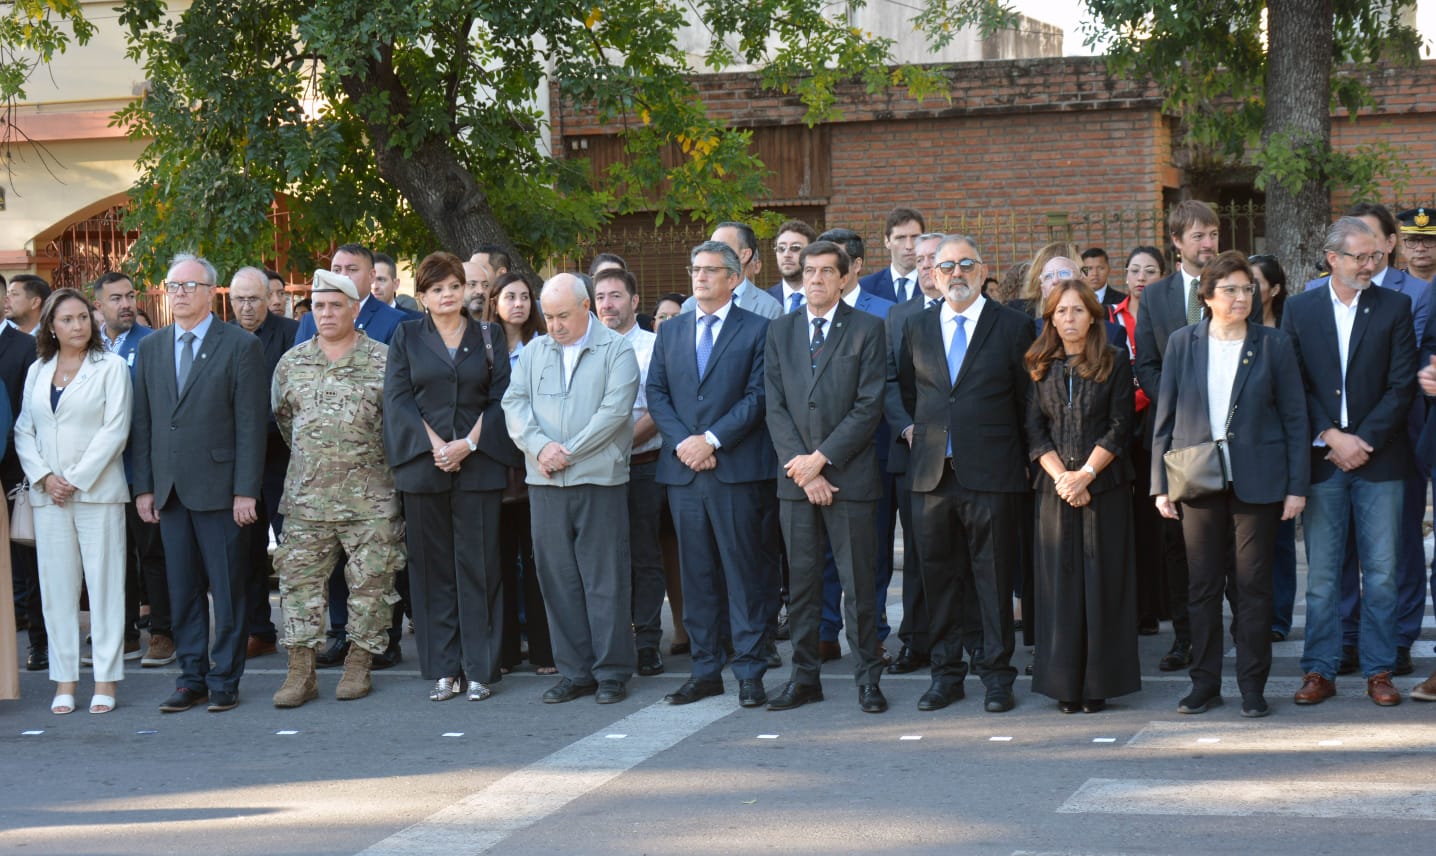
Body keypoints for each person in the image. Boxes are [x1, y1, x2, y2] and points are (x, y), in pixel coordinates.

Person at [1151, 251, 1309, 717]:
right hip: (1197, 476)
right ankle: (1204, 684)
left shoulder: (1274, 344)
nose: (1241, 297)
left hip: (1258, 480)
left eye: (1247, 289)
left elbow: (1295, 418)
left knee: (1252, 586)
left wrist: (1296, 487)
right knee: (1201, 586)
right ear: (1207, 295)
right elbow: (1165, 416)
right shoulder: (1183, 343)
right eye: (1230, 290)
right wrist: (1160, 484)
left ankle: (1252, 686)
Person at [896, 234, 1036, 713]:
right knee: (939, 580)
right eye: (947, 266)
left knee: (993, 580)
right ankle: (946, 675)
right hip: (932, 475)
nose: (956, 273)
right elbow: (909, 391)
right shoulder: (916, 326)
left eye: (966, 264)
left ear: (982, 271)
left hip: (993, 474)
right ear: (934, 275)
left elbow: (1027, 400)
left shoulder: (1013, 326)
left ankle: (997, 676)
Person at [1284, 217, 1416, 708]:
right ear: (1332, 258)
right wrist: (1331, 436)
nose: (1370, 265)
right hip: (1323, 460)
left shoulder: (1395, 307)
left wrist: (1362, 441)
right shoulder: (1299, 309)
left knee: (1381, 572)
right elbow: (1293, 383)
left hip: (1380, 459)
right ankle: (1320, 669)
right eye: (1360, 257)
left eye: (1376, 256)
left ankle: (1379, 670)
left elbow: (1401, 384)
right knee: (1322, 575)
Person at [131, 254, 268, 713]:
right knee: (182, 589)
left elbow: (251, 424)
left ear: (211, 293)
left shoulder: (240, 345)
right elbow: (144, 422)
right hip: (170, 492)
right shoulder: (152, 346)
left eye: (191, 286)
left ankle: (224, 678)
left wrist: (246, 490)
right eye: (174, 286)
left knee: (227, 590)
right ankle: (191, 678)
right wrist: (144, 487)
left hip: (222, 489)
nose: (181, 293)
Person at [648, 240, 776, 708]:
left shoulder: (758, 329)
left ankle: (750, 671)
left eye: (710, 270)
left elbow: (759, 396)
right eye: (695, 269)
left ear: (734, 278)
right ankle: (705, 670)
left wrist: (712, 440)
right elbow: (656, 392)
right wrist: (686, 442)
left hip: (735, 470)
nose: (699, 277)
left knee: (744, 574)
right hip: (684, 472)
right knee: (696, 575)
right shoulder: (671, 331)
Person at [502, 273, 640, 705]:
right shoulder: (534, 351)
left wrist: (568, 452)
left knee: (605, 579)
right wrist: (541, 448)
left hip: (598, 480)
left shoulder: (616, 349)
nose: (555, 325)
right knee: (557, 578)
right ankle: (575, 671)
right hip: (545, 481)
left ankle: (612, 671)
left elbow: (614, 412)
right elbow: (514, 403)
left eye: (563, 315)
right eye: (548, 316)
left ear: (586, 307)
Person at [385, 252, 517, 702]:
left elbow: (501, 398)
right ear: (422, 296)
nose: (448, 295)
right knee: (431, 569)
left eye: (455, 286)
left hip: (478, 464)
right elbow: (399, 398)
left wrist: (469, 444)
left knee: (480, 567)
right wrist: (437, 446)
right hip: (425, 466)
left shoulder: (489, 335)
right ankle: (444, 669)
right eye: (437, 289)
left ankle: (480, 668)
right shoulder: (406, 335)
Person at [765, 240, 888, 713]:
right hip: (797, 482)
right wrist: (804, 468)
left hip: (849, 479)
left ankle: (868, 680)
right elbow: (775, 406)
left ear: (844, 278)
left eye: (825, 271)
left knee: (859, 586)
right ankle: (804, 679)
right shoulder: (780, 330)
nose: (815, 279)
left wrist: (822, 459)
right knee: (802, 587)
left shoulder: (868, 329)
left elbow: (869, 405)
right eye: (809, 271)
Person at [270, 270, 402, 707]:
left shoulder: (384, 360)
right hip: (307, 500)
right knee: (299, 587)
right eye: (319, 306)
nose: (326, 314)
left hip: (371, 498)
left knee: (372, 586)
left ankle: (359, 664)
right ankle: (300, 672)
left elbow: (396, 426)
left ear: (354, 309)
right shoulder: (292, 363)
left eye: (335, 305)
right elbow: (285, 422)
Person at [14, 288, 133, 714]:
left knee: (105, 588)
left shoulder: (111, 366)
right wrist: (46, 478)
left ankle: (105, 679)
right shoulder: (38, 369)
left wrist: (75, 479)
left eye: (83, 317)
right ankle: (64, 681)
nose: (78, 325)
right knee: (56, 591)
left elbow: (115, 430)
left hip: (98, 493)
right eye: (67, 319)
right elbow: (24, 429)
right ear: (50, 326)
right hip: (49, 497)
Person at [1023, 279, 1138, 713]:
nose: (1069, 319)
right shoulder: (1038, 364)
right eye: (1060, 312)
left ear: (1093, 315)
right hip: (1054, 491)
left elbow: (1120, 425)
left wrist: (1086, 475)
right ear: (1050, 319)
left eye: (1077, 310)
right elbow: (1034, 430)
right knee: (1060, 585)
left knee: (1102, 583)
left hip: (1104, 487)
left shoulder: (1114, 360)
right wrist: (1063, 480)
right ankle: (1064, 685)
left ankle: (1099, 685)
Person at [1134, 200, 1222, 674]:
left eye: (1213, 234)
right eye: (1198, 236)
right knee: (1178, 545)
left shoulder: (1232, 283)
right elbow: (1146, 363)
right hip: (1177, 437)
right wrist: (1178, 404)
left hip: (1230, 430)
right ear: (1176, 242)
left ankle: (1230, 633)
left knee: (1231, 543)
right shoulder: (1156, 296)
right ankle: (1186, 638)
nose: (1208, 244)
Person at [594, 267, 669, 677]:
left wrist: (616, 447)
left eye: (616, 296)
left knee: (644, 556)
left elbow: (658, 409)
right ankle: (613, 641)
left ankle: (647, 642)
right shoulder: (586, 346)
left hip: (642, 466)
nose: (607, 304)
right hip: (595, 470)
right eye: (601, 297)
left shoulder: (654, 347)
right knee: (605, 558)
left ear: (635, 301)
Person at [485, 272, 555, 676]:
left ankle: (546, 651)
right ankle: (507, 651)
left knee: (537, 560)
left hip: (537, 461)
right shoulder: (483, 347)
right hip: (494, 463)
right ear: (494, 302)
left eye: (525, 297)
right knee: (499, 562)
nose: (518, 304)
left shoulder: (543, 344)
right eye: (509, 296)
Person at [228, 266, 300, 661]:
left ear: (269, 298)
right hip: (238, 464)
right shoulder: (223, 337)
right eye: (239, 299)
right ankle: (259, 629)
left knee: (294, 548)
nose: (247, 307)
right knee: (245, 551)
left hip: (282, 458)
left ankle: (304, 632)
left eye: (254, 299)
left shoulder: (291, 334)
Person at [883, 232, 945, 675]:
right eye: (919, 259)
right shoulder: (899, 315)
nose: (924, 266)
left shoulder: (976, 314)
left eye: (932, 259)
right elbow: (886, 381)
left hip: (966, 452)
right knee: (920, 553)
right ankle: (916, 640)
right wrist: (905, 427)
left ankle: (969, 639)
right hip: (913, 452)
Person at [1109, 247, 1166, 636]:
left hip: (1151, 421)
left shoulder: (1164, 314)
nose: (1141, 278)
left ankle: (1151, 605)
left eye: (1150, 271)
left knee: (1150, 519)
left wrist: (1142, 395)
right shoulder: (1110, 316)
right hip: (1117, 423)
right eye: (1134, 270)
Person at [1248, 253, 1300, 643]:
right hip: (1245, 449)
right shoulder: (1234, 329)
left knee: (1280, 540)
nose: (1245, 292)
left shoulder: (1289, 329)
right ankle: (1250, 616)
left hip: (1280, 447)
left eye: (1254, 284)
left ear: (1275, 289)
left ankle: (1279, 618)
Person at [294, 243, 408, 347]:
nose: (343, 276)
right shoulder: (309, 321)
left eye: (352, 270)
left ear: (371, 276)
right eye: (337, 270)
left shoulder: (395, 321)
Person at [682, 222, 783, 319]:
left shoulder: (769, 307)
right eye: (711, 246)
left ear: (745, 255)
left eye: (722, 247)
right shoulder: (690, 306)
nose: (712, 252)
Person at [859, 207, 926, 303]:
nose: (909, 246)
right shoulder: (866, 287)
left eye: (915, 237)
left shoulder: (937, 285)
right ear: (887, 241)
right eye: (901, 238)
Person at [767, 219, 817, 310]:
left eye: (795, 248)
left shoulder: (828, 298)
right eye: (781, 248)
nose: (786, 255)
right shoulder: (764, 300)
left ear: (812, 253)